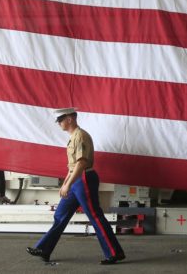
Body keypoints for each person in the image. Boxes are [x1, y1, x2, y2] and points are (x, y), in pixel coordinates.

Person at [26, 107, 125, 265]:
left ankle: (114, 252)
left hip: (84, 178)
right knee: (60, 215)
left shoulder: (80, 136)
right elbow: (72, 166)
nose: (59, 124)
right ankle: (44, 249)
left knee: (95, 216)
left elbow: (81, 163)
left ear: (70, 119)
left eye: (60, 120)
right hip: (76, 179)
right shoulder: (73, 137)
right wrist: (65, 183)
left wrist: (69, 183)